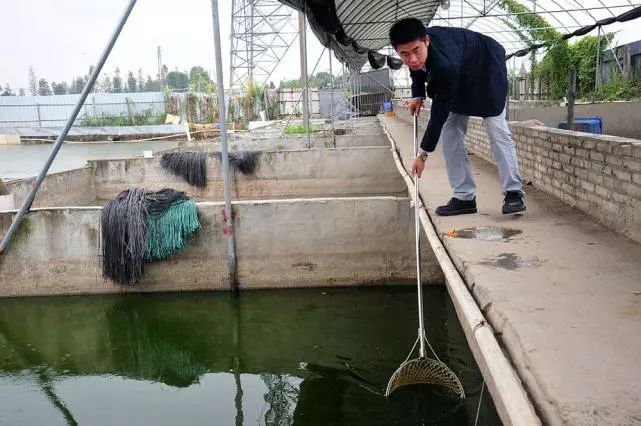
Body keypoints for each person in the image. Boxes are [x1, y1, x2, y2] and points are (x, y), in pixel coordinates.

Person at [389, 18, 526, 215]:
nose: (412, 59)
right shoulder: (417, 51)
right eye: (404, 54)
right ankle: (464, 197)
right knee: (450, 131)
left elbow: (438, 114)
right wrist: (418, 95)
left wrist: (423, 155)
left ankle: (513, 193)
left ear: (426, 41)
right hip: (459, 75)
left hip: (486, 72)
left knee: (497, 130)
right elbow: (416, 69)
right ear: (398, 52)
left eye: (416, 51)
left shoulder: (445, 65)